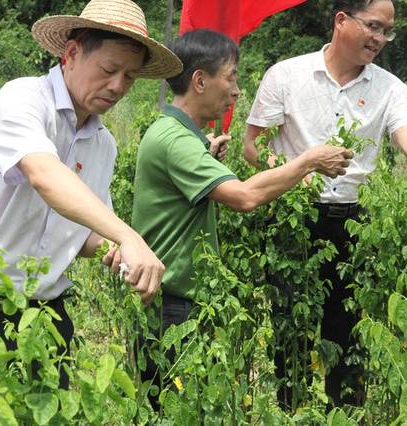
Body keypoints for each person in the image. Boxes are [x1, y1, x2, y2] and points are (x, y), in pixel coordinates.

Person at [0, 0, 182, 388]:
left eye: (130, 77)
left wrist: (115, 251)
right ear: (71, 54)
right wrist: (128, 236)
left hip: (45, 311)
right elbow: (44, 175)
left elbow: (85, 233)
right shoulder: (22, 100)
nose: (118, 87)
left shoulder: (103, 144)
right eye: (109, 70)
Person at [129, 29, 352, 407]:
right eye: (231, 77)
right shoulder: (175, 141)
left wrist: (207, 158)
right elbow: (246, 197)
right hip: (171, 305)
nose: (236, 91)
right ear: (200, 80)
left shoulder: (182, 136)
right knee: (172, 409)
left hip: (174, 301)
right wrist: (308, 161)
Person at [243, 0, 407, 408]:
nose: (379, 38)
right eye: (372, 26)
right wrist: (296, 171)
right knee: (290, 328)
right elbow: (252, 146)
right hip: (294, 217)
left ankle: (345, 413)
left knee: (349, 328)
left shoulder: (391, 88)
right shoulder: (286, 74)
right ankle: (290, 410)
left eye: (386, 31)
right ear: (341, 20)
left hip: (354, 221)